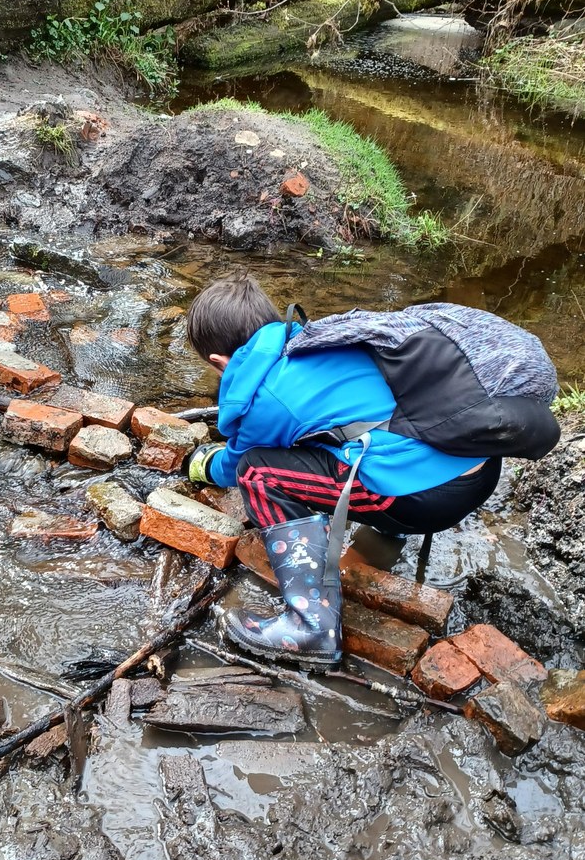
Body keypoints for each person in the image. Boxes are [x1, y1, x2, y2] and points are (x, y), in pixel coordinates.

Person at [185, 271, 501, 667]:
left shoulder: (264, 396)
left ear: (219, 362)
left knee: (256, 472)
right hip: (479, 468)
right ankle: (387, 535)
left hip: (428, 496)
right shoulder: (319, 340)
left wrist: (201, 464)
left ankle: (311, 627)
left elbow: (234, 466)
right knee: (347, 438)